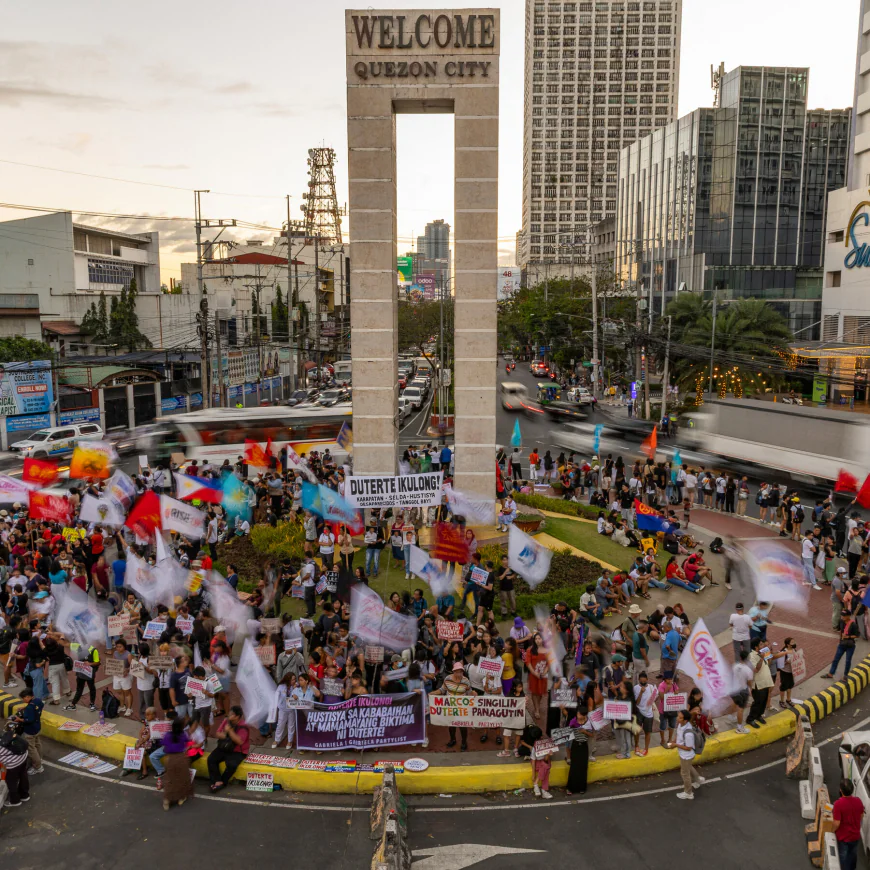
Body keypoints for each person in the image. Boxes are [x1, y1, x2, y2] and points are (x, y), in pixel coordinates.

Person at [208, 705, 250, 791]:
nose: (229, 715)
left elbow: (239, 741)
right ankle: (217, 780)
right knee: (211, 759)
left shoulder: (243, 726)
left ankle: (223, 781)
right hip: (224, 747)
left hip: (237, 750)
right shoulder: (226, 721)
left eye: (232, 714)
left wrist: (230, 731)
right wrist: (226, 734)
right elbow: (218, 734)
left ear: (237, 716)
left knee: (231, 765)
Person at [159, 718, 193, 811]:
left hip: (170, 759)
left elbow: (164, 747)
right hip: (181, 759)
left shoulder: (167, 735)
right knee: (182, 779)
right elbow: (187, 742)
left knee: (170, 780)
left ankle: (167, 800)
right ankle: (181, 797)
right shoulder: (183, 735)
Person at [832, 778, 865, 870]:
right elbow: (861, 816)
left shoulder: (838, 804)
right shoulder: (858, 801)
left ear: (841, 790)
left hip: (843, 838)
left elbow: (837, 823)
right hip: (855, 836)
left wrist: (832, 830)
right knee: (852, 856)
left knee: (843, 858)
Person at [674, 708, 705, 799]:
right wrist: (674, 740)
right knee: (689, 767)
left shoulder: (688, 734)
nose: (677, 719)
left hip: (686, 755)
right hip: (684, 755)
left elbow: (688, 747)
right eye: (678, 716)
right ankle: (698, 780)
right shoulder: (682, 724)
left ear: (685, 720)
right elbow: (678, 733)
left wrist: (675, 745)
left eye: (680, 718)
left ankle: (688, 793)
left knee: (684, 773)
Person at [0, 720, 30, 807]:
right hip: (23, 758)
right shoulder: (6, 737)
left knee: (11, 782)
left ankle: (15, 801)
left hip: (13, 765)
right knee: (23, 776)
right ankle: (25, 795)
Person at [746, 637, 774, 728]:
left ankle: (759, 715)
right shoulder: (752, 656)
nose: (764, 645)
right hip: (758, 684)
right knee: (758, 702)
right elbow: (756, 669)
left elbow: (768, 664)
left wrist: (769, 655)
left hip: (766, 682)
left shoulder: (762, 653)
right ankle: (750, 719)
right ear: (756, 647)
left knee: (764, 701)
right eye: (761, 644)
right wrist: (761, 658)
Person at [15, 687, 44, 775]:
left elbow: (29, 720)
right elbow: (37, 707)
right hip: (37, 727)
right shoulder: (38, 701)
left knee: (31, 749)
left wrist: (19, 719)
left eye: (24, 698)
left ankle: (37, 767)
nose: (23, 700)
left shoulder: (29, 708)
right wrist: (24, 708)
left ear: (28, 697)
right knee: (38, 744)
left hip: (30, 730)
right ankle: (40, 758)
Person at [823, 613, 860, 680]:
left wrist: (848, 636)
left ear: (848, 616)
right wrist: (841, 637)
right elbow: (839, 629)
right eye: (842, 615)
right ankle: (831, 673)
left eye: (844, 616)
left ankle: (845, 675)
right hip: (842, 644)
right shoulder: (841, 621)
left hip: (850, 646)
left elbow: (857, 635)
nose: (842, 617)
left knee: (848, 661)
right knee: (836, 660)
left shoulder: (853, 625)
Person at [565, 709, 593, 795]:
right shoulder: (573, 722)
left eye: (580, 714)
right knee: (574, 766)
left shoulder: (588, 723)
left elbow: (592, 735)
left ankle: (582, 787)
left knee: (583, 767)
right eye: (577, 714)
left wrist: (585, 731)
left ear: (584, 715)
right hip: (575, 745)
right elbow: (568, 732)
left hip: (584, 746)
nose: (578, 716)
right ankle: (570, 788)